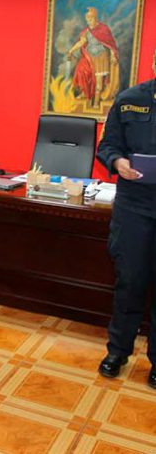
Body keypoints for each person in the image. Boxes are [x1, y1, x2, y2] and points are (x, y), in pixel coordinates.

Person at [96, 48, 156, 388]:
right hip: (134, 206)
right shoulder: (130, 100)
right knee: (129, 281)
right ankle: (117, 351)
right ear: (154, 62)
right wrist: (118, 163)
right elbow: (108, 146)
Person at [67, 6, 120, 108]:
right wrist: (71, 50)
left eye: (90, 18)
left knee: (99, 84)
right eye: (87, 19)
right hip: (89, 58)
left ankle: (95, 103)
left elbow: (111, 44)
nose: (88, 21)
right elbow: (81, 42)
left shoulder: (103, 29)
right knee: (82, 73)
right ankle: (85, 94)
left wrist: (113, 55)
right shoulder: (86, 31)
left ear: (95, 18)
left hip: (101, 59)